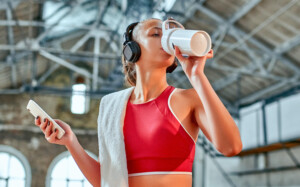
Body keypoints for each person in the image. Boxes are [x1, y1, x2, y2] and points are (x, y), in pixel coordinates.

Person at [35, 18, 242, 187]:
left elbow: (231, 147)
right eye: (155, 33)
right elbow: (105, 181)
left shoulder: (188, 99)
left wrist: (197, 76)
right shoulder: (111, 107)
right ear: (132, 50)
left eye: (168, 33)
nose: (166, 38)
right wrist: (71, 141)